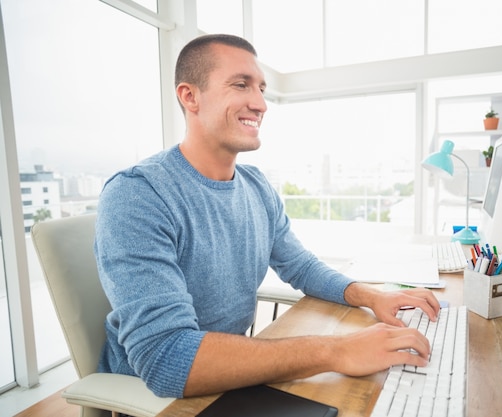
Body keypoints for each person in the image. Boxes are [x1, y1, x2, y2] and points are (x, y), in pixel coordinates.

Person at [94, 33, 440, 399]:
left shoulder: (255, 185)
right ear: (189, 96)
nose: (260, 104)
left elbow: (300, 266)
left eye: (261, 89)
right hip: (157, 392)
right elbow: (167, 359)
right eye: (241, 85)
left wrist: (371, 296)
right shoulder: (138, 194)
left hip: (230, 367)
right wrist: (336, 351)